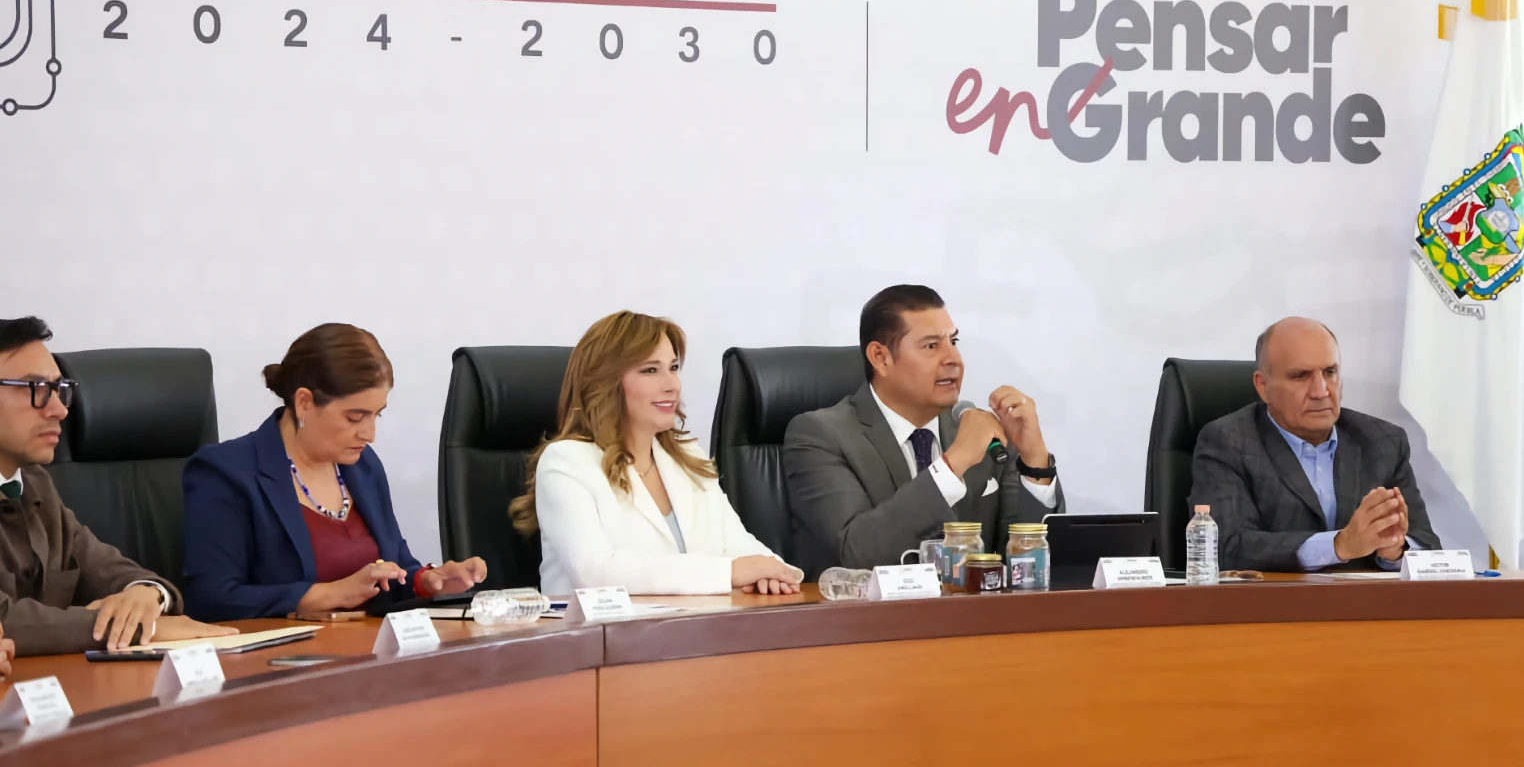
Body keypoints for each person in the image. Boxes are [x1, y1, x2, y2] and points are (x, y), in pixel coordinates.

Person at [182, 324, 487, 620]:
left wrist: (427, 581)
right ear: (304, 402)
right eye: (355, 417)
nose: (369, 434)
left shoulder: (364, 466)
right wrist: (329, 594)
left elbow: (396, 569)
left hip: (372, 647)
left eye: (377, 415)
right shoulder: (226, 471)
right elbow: (211, 599)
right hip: (290, 652)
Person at [512, 311, 802, 597]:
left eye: (673, 368)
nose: (671, 385)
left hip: (697, 624)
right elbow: (596, 572)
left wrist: (774, 572)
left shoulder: (686, 456)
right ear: (605, 381)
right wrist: (730, 573)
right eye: (650, 370)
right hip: (596, 628)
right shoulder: (566, 461)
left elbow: (738, 544)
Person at [784, 285, 1065, 576]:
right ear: (880, 357)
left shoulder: (986, 435)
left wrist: (1034, 460)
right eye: (931, 346)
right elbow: (854, 554)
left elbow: (1031, 567)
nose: (953, 359)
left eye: (953, 341)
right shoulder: (820, 436)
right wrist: (952, 465)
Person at [0, 317, 236, 653]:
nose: (59, 410)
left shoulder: (35, 482)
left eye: (60, 390)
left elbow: (109, 568)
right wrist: (142, 629)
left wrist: (146, 594)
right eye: (36, 388)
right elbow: (6, 620)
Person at [1190, 316, 1441, 572]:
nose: (1321, 391)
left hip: (1364, 597)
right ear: (1263, 386)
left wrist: (1395, 549)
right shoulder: (1228, 442)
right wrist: (1338, 545)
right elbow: (1227, 547)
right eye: (1301, 376)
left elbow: (1427, 546)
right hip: (1275, 597)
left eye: (1330, 372)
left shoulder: (1383, 441)